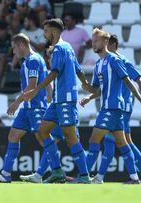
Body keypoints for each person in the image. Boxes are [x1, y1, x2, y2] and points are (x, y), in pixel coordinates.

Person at [23, 18, 92, 183]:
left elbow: (54, 73)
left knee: (70, 137)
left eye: (46, 31)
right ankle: (57, 171)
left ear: (53, 31)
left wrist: (36, 89)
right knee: (43, 130)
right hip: (57, 101)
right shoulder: (67, 47)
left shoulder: (60, 49)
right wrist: (85, 83)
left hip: (65, 100)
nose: (45, 34)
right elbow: (78, 69)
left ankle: (84, 176)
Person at [80, 29, 141, 184]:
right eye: (92, 41)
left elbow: (128, 80)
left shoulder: (114, 59)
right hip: (109, 108)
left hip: (113, 108)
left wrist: (139, 98)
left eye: (96, 41)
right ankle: (134, 178)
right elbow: (98, 89)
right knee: (122, 143)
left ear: (105, 42)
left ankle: (83, 177)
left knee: (94, 139)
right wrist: (88, 92)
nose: (93, 44)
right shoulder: (98, 64)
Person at [0, 33, 50, 183]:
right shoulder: (33, 60)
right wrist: (49, 94)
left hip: (35, 107)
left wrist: (16, 102)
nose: (13, 52)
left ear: (22, 45)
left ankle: (46, 172)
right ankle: (5, 174)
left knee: (45, 141)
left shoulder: (33, 61)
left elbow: (32, 86)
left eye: (14, 48)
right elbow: (48, 81)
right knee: (13, 136)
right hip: (28, 107)